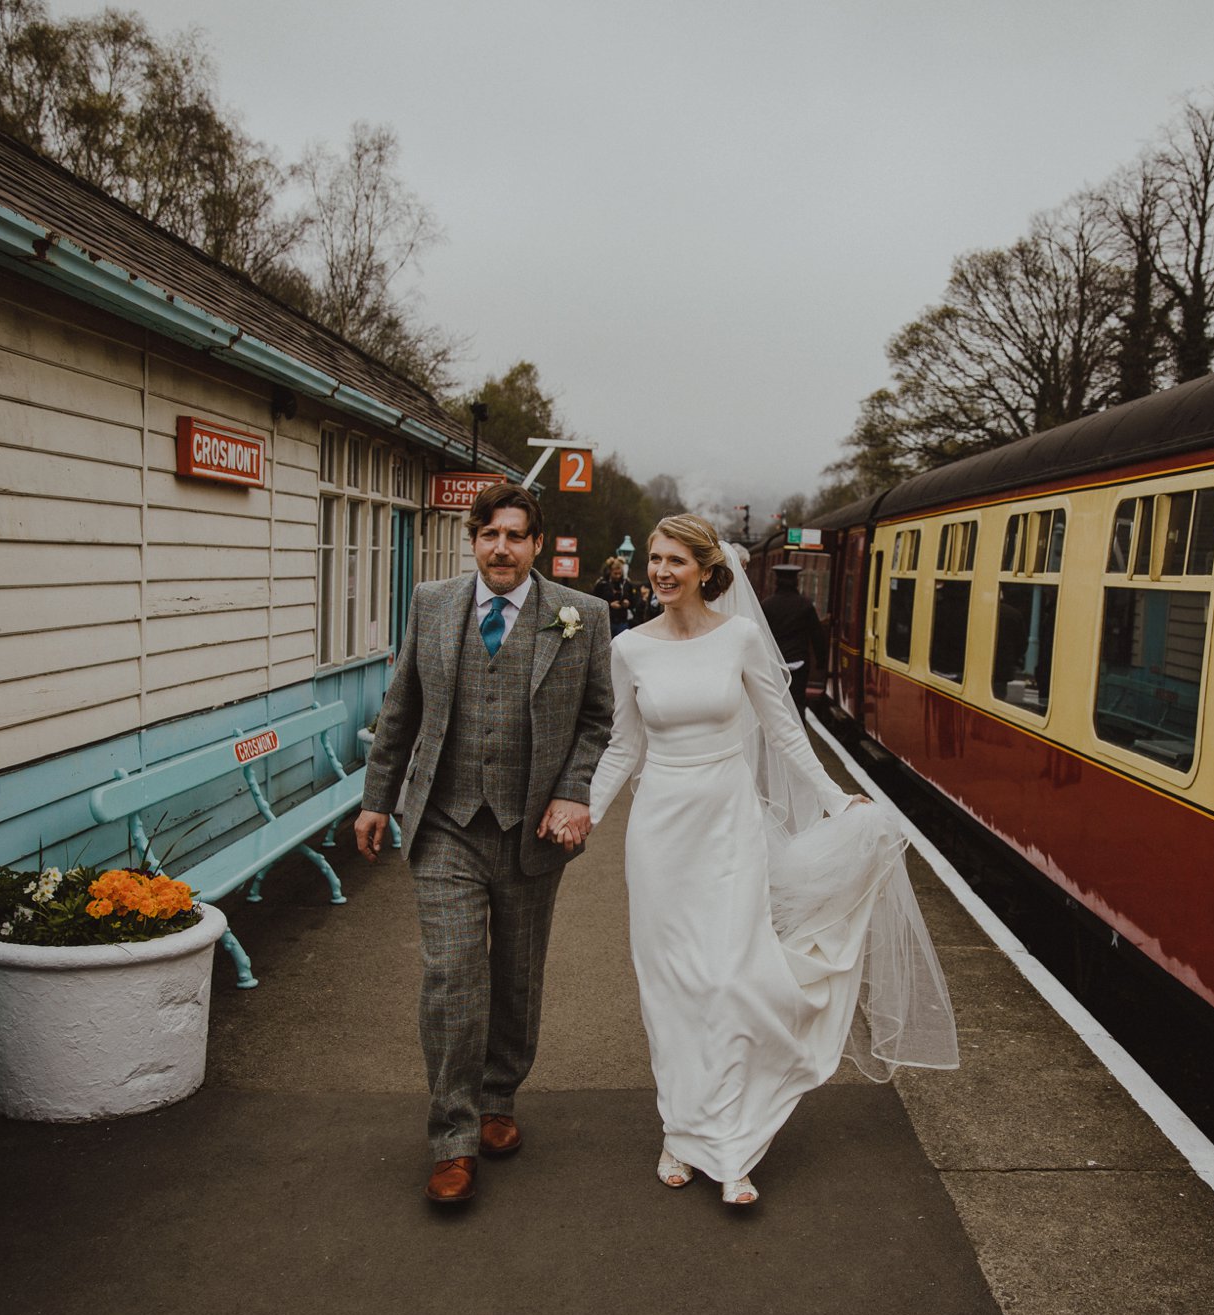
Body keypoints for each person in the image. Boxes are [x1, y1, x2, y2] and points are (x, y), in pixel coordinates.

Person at [582, 514, 957, 1208]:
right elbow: (622, 748)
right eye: (654, 559)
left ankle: (731, 1146)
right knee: (671, 991)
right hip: (659, 836)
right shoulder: (630, 648)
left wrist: (833, 799)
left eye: (675, 560)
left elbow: (784, 732)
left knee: (728, 981)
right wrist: (588, 812)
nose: (660, 571)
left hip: (728, 829)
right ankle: (680, 1132)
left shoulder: (742, 637)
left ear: (704, 567)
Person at [353, 482, 613, 1208]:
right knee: (453, 976)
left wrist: (574, 790)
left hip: (531, 830)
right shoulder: (432, 603)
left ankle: (499, 1096)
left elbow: (598, 720)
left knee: (517, 975)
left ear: (536, 545)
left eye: (515, 536)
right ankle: (453, 1135)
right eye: (489, 534)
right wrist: (377, 801)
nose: (501, 547)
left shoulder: (583, 616)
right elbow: (400, 706)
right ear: (473, 539)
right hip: (444, 824)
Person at [760, 563, 827, 715]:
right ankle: (799, 735)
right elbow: (817, 635)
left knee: (775, 703)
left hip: (775, 663)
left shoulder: (767, 605)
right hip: (799, 663)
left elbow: (761, 635)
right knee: (797, 704)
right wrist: (821, 662)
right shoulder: (805, 605)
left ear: (776, 581)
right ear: (796, 582)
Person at [592, 557, 636, 637]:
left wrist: (628, 603)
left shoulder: (627, 584)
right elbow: (594, 602)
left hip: (622, 621)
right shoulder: (601, 584)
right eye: (615, 573)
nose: (618, 576)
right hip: (606, 621)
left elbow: (634, 600)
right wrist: (609, 605)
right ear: (610, 571)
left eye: (620, 573)